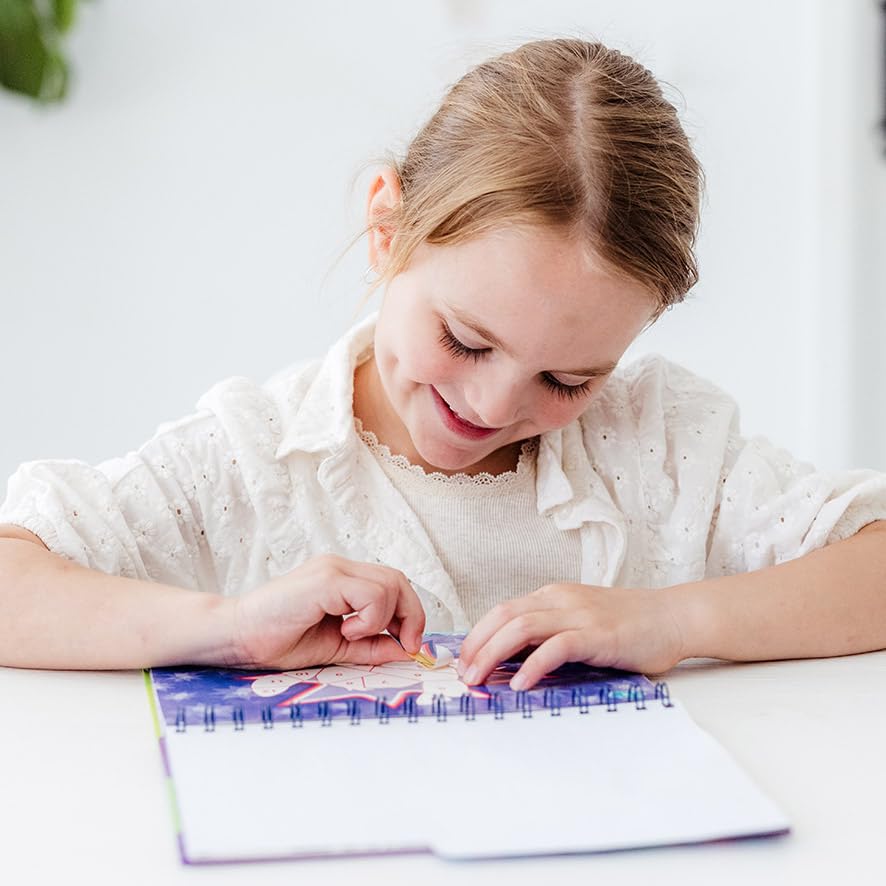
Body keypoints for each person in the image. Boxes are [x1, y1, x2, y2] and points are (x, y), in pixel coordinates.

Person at [2, 38, 885, 691]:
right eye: (465, 340)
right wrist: (229, 629)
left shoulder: (660, 442)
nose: (494, 402)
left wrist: (673, 619)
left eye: (569, 379)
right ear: (388, 230)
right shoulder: (249, 459)